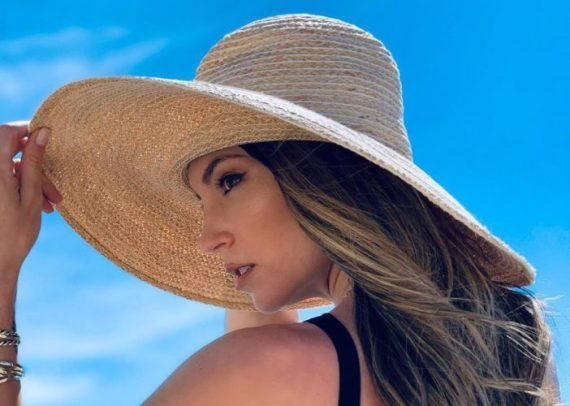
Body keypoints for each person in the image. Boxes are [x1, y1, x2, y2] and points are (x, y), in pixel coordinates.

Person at [0, 13, 562, 405]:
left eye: (229, 181)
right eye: (200, 199)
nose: (206, 237)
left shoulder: (267, 369)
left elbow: (273, 361)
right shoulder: (513, 352)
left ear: (326, 177)